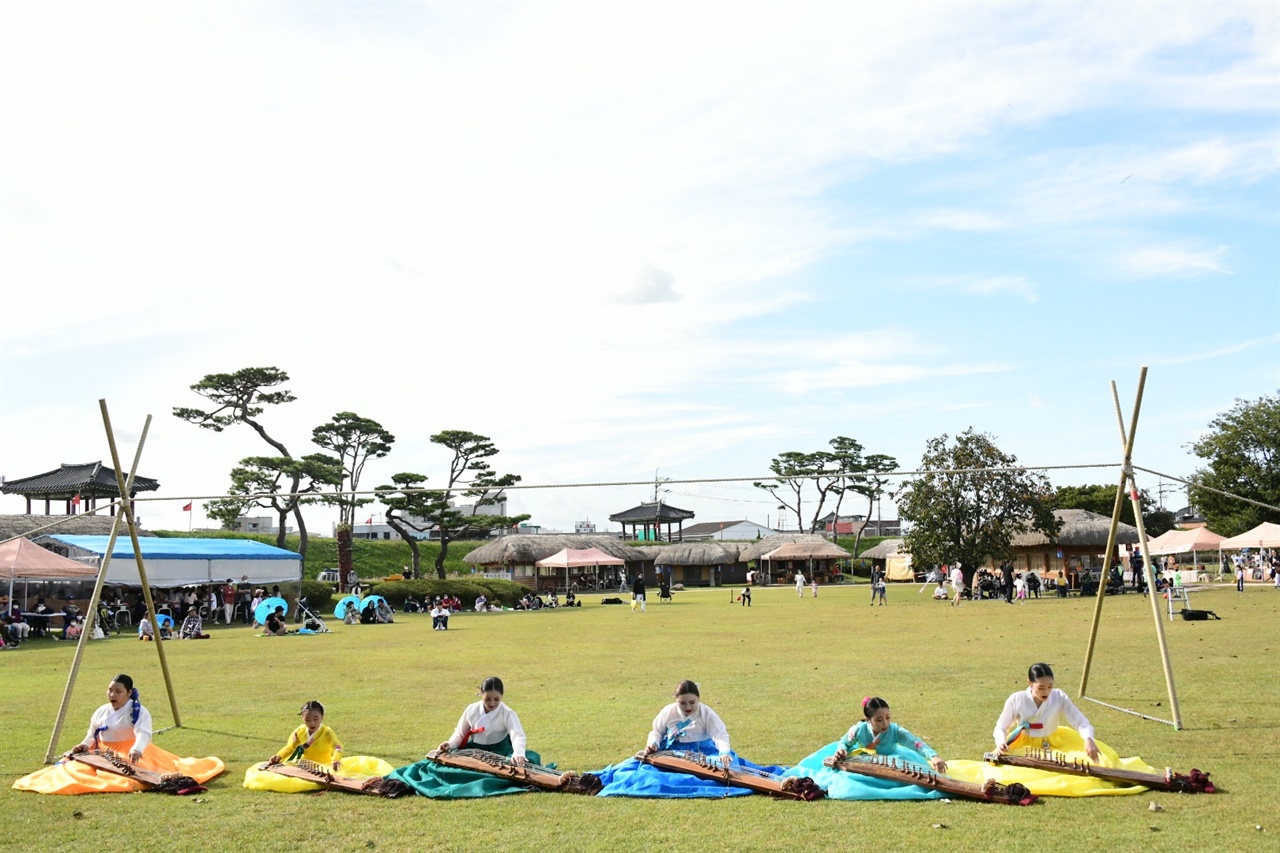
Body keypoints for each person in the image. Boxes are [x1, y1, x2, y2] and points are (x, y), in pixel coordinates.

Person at [946, 662, 1157, 797]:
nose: (1046, 691)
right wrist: (1001, 741)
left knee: (1101, 763)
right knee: (1008, 773)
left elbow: (1082, 722)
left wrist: (1088, 739)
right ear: (1029, 683)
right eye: (1041, 688)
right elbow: (1000, 726)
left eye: (1050, 686)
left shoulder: (1059, 697)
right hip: (1023, 744)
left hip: (1056, 741)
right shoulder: (1017, 699)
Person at [13, 674, 224, 794]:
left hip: (133, 752)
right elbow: (92, 735)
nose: (112, 695)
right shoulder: (101, 711)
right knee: (73, 771)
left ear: (129, 693)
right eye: (110, 690)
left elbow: (144, 734)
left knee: (132, 777)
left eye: (118, 692)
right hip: (104, 753)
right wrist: (84, 746)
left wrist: (136, 749)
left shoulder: (139, 711)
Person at [590, 680, 785, 798]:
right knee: (639, 769)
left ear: (698, 699)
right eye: (682, 703)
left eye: (692, 702)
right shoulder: (668, 712)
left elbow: (719, 734)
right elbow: (656, 731)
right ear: (676, 701)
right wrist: (653, 744)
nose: (688, 707)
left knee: (726, 769)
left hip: (702, 752)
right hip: (671, 752)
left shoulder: (706, 713)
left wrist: (724, 752)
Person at [388, 677, 554, 798]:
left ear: (502, 695)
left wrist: (518, 753)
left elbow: (517, 735)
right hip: (472, 752)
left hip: (500, 752)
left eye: (497, 699)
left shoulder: (507, 713)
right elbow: (460, 734)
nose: (492, 703)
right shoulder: (471, 709)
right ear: (480, 694)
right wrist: (449, 743)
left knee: (522, 766)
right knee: (435, 768)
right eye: (487, 699)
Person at [784, 696, 949, 800]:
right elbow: (844, 743)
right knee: (844, 782)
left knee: (908, 779)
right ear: (868, 719)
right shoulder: (858, 729)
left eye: (888, 717)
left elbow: (916, 743)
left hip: (894, 760)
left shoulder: (895, 730)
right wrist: (841, 749)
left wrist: (933, 756)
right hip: (863, 761)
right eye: (879, 720)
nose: (885, 723)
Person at [244, 700, 393, 793]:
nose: (312, 723)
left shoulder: (326, 732)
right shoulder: (299, 731)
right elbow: (290, 747)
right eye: (307, 720)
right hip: (304, 765)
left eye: (316, 719)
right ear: (302, 718)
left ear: (322, 717)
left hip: (324, 765)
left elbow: (338, 746)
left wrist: (336, 759)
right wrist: (279, 756)